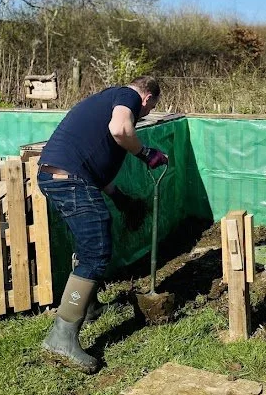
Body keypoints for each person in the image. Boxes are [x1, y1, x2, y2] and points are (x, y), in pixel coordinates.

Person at [37, 76, 168, 372]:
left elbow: (99, 174)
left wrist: (122, 200)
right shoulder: (128, 97)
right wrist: (146, 154)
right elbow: (121, 130)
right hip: (69, 179)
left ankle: (89, 306)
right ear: (147, 98)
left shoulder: (106, 102)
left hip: (60, 175)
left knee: (89, 244)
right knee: (96, 252)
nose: (143, 114)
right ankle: (61, 337)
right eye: (148, 109)